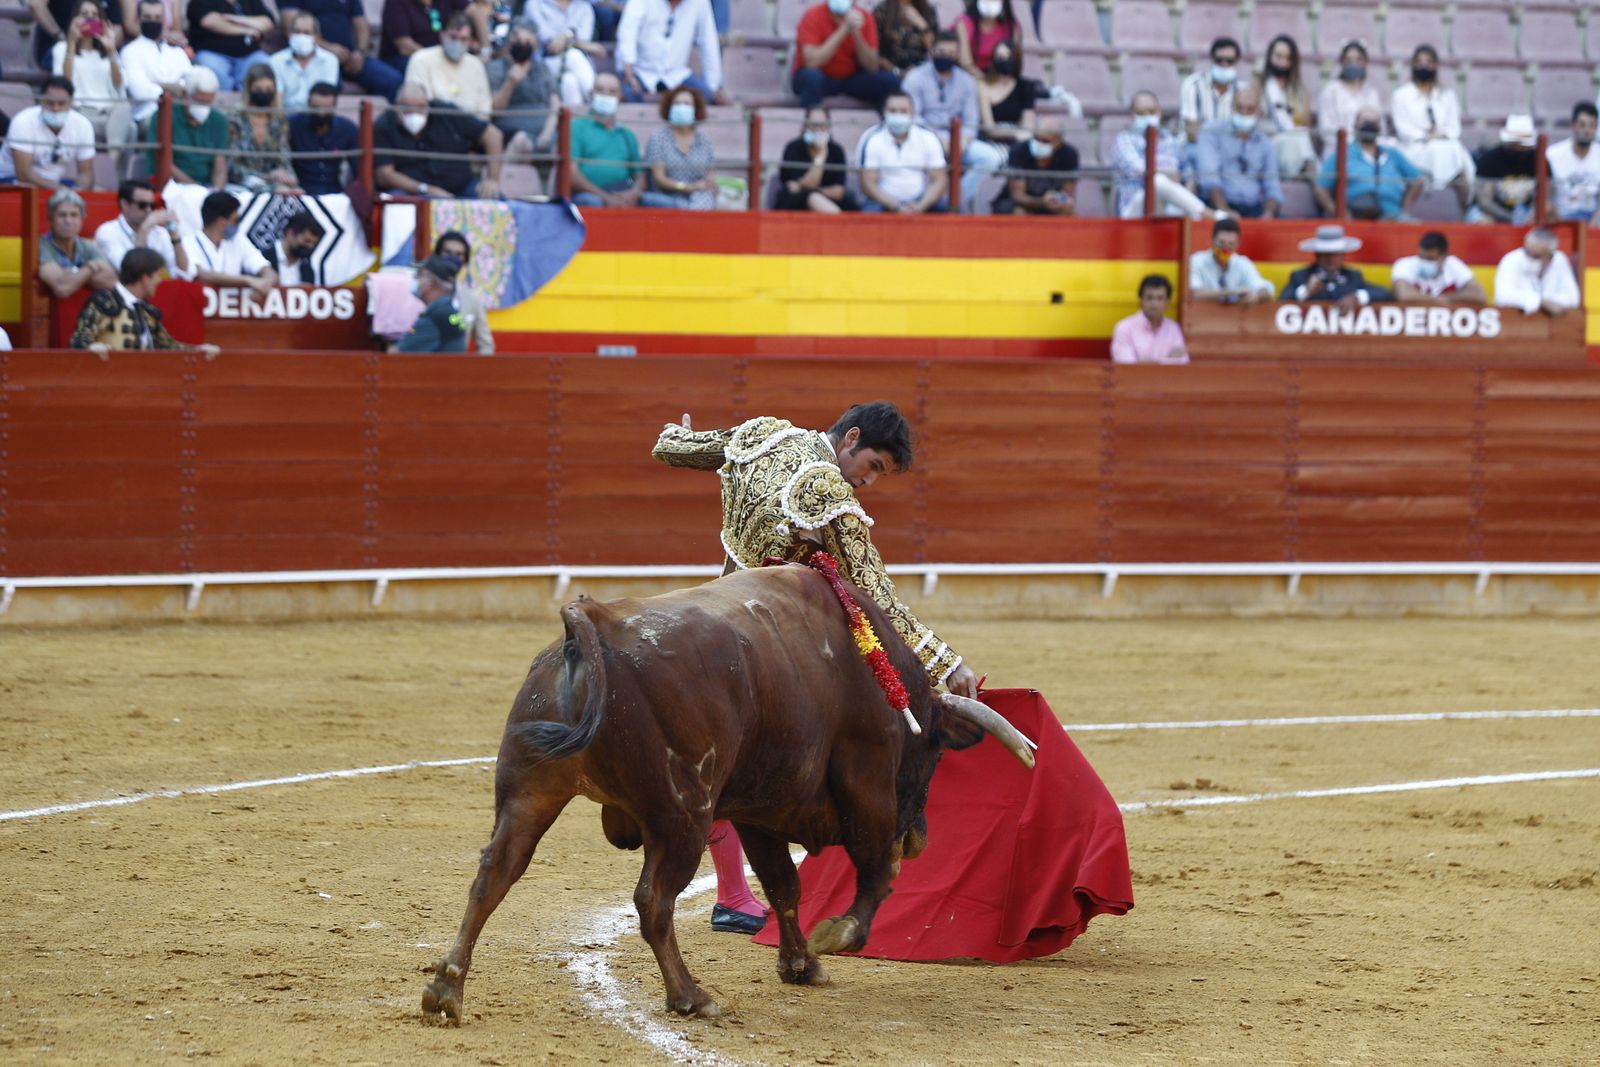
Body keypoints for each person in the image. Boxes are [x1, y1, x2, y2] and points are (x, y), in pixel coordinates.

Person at [651, 401, 980, 933]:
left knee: (715, 760)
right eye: (872, 465)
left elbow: (672, 447)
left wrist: (678, 431)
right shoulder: (827, 491)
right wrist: (945, 660)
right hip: (772, 641)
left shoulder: (762, 433)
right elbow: (876, 597)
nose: (868, 481)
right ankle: (750, 891)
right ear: (850, 438)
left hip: (712, 614)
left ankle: (733, 895)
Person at [902, 30, 1004, 211]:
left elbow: (972, 120)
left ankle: (960, 197)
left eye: (950, 54)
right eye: (941, 52)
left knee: (990, 158)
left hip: (959, 139)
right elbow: (912, 117)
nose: (945, 57)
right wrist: (937, 140)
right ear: (932, 51)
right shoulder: (914, 78)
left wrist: (962, 141)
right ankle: (924, 203)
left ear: (957, 55)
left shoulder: (967, 82)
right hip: (924, 139)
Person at [70, 247, 220, 356]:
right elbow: (79, 340)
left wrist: (197, 350)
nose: (160, 280)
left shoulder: (147, 311)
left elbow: (167, 346)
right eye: (157, 275)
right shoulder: (103, 302)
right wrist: (91, 347)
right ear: (145, 278)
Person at [373, 83, 505, 197]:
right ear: (396, 107)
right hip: (413, 194)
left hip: (462, 189)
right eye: (407, 109)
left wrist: (492, 179)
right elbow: (384, 175)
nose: (415, 113)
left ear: (428, 104)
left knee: (494, 198)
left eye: (420, 107)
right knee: (396, 202)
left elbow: (493, 135)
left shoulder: (445, 112)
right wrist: (425, 189)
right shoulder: (383, 125)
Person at [1391, 44, 1473, 216]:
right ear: (1412, 65)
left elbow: (1454, 128)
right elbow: (1403, 128)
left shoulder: (1446, 95)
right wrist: (1425, 136)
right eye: (1419, 62)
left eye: (1429, 62)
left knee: (1458, 154)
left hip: (1446, 143)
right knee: (1439, 151)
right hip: (1415, 148)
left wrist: (1440, 135)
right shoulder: (1401, 95)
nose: (1424, 66)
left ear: (1436, 66)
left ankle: (1467, 208)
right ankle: (1437, 198)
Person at [51, 0, 134, 158]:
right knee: (130, 130)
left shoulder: (107, 51)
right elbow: (64, 84)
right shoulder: (61, 49)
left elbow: (120, 84)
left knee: (125, 108)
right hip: (81, 111)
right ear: (74, 19)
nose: (90, 19)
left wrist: (111, 50)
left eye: (94, 15)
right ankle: (112, 172)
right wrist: (72, 43)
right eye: (84, 15)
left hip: (108, 113)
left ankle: (111, 165)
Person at [1113, 90, 1213, 220]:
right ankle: (1208, 214)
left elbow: (1187, 170)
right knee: (1157, 180)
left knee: (1178, 198)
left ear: (1159, 113)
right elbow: (1143, 171)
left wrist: (1189, 183)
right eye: (1140, 113)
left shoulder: (1170, 140)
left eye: (1151, 111)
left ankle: (1202, 218)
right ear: (1131, 115)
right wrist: (1168, 174)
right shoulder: (1124, 140)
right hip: (1135, 210)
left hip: (1169, 206)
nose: (1147, 116)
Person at [277, 0, 403, 100]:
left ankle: (380, 129)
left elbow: (361, 22)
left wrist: (360, 52)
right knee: (328, 89)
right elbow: (291, 27)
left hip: (350, 57)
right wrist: (329, 48)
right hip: (316, 57)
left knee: (393, 81)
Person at [1313, 106, 1423, 221]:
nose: (1369, 125)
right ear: (1355, 125)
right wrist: (1338, 212)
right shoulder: (1342, 153)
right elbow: (1321, 187)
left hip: (1392, 217)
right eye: (1365, 121)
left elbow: (1417, 180)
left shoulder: (1392, 153)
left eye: (1374, 122)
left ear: (1380, 127)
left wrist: (1404, 208)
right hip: (1356, 217)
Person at [791, 1, 900, 111]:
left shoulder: (865, 17)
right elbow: (812, 62)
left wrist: (856, 33)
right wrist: (844, 29)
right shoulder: (812, 14)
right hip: (820, 76)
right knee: (811, 78)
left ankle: (886, 126)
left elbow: (872, 66)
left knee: (888, 81)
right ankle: (812, 125)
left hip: (851, 78)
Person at [1196, 82, 1281, 218]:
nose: (1244, 114)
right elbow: (1209, 179)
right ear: (1231, 108)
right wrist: (1225, 211)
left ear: (1259, 112)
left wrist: (1268, 213)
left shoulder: (1265, 143)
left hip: (1254, 209)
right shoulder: (1211, 132)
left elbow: (1273, 187)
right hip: (1218, 205)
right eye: (1239, 108)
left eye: (1250, 109)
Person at [618, 0, 725, 105]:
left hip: (676, 74)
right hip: (642, 72)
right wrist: (629, 74)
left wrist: (713, 86)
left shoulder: (699, 3)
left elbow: (708, 41)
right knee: (629, 94)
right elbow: (627, 33)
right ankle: (668, 100)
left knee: (706, 95)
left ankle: (667, 100)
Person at [0, 76, 97, 191]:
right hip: (12, 181)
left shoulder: (83, 125)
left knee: (96, 192)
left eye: (61, 103)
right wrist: (62, 191)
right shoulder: (23, 121)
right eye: (50, 103)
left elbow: (86, 173)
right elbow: (23, 173)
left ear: (71, 103)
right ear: (41, 101)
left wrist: (80, 189)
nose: (56, 108)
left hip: (54, 183)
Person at [858, 90, 947, 213]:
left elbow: (939, 180)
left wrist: (921, 206)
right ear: (884, 112)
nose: (898, 115)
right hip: (883, 201)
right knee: (869, 213)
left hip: (920, 200)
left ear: (913, 114)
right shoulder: (873, 139)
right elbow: (868, 184)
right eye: (892, 111)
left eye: (903, 111)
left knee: (944, 209)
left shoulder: (928, 138)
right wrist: (896, 207)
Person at [568, 72, 645, 206]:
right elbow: (571, 173)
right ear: (592, 94)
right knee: (592, 202)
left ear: (620, 97)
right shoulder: (577, 127)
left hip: (622, 191)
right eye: (600, 90)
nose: (606, 95)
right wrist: (605, 198)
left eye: (612, 91)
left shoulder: (626, 134)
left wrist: (633, 193)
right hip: (588, 195)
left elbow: (640, 176)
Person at [181, 189, 278, 295]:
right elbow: (200, 274)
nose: (237, 225)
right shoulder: (187, 243)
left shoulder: (238, 240)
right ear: (221, 222)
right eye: (236, 220)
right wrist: (248, 281)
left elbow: (265, 268)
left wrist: (265, 284)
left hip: (230, 309)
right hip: (197, 306)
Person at [149, 65, 229, 187]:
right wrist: (196, 189)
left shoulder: (219, 120)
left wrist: (216, 192)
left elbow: (220, 166)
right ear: (185, 94)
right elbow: (163, 162)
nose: (204, 106)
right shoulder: (163, 117)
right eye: (200, 101)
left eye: (209, 102)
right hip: (171, 185)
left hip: (206, 186)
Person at [94, 177, 191, 277]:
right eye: (142, 205)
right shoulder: (107, 232)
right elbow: (129, 271)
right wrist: (145, 228)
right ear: (125, 204)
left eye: (152, 205)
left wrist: (175, 236)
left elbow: (184, 271)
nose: (148, 210)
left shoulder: (159, 233)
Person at [404, 12, 493, 119]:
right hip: (434, 129)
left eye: (463, 39)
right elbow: (418, 105)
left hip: (471, 131)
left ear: (470, 41)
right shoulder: (421, 59)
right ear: (442, 35)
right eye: (453, 37)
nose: (457, 43)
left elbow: (484, 110)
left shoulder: (476, 65)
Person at [228, 63, 301, 192]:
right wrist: (265, 177)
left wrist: (287, 176)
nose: (263, 93)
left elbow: (283, 157)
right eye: (259, 89)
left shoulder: (279, 120)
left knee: (296, 192)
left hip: (273, 181)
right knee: (281, 192)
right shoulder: (234, 119)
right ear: (249, 89)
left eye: (268, 89)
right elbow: (231, 165)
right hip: (242, 181)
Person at [642, 86, 718, 209]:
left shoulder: (704, 141)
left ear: (695, 109)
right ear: (669, 108)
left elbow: (710, 177)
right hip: (665, 198)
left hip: (697, 199)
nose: (682, 107)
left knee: (705, 200)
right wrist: (688, 187)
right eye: (676, 104)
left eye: (687, 104)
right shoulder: (658, 138)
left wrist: (704, 187)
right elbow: (659, 178)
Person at [121, 0, 194, 127]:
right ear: (139, 19)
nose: (153, 21)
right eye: (147, 17)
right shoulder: (130, 51)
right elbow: (140, 91)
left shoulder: (176, 50)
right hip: (147, 114)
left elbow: (189, 83)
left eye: (157, 17)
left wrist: (157, 84)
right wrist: (171, 87)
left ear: (164, 20)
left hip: (180, 112)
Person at [37, 187, 118, 298]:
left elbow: (113, 282)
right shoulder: (41, 246)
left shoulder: (87, 246)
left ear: (82, 219)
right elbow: (62, 288)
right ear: (50, 219)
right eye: (62, 215)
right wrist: (90, 268)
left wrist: (73, 275)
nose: (68, 221)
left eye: (74, 215)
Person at [1281, 225, 1388, 309]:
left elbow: (1384, 294)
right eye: (1326, 254)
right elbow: (1282, 299)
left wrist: (1356, 297)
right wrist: (1306, 290)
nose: (1331, 259)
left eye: (1335, 254)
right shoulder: (1301, 276)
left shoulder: (1353, 276)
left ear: (1343, 255)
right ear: (1317, 255)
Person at [991, 112, 1076, 215]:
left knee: (1068, 206)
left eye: (1045, 141)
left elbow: (1068, 193)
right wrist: (1042, 202)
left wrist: (1060, 200)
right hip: (1018, 203)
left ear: (1059, 142)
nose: (1039, 143)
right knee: (1020, 212)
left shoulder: (1069, 155)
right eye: (1036, 138)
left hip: (1052, 203)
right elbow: (1017, 196)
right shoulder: (1019, 150)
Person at [775, 107, 855, 213]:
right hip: (796, 205)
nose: (817, 130)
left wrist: (807, 188)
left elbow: (838, 191)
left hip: (829, 201)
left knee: (850, 202)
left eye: (822, 125)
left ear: (828, 127)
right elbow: (808, 184)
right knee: (810, 197)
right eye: (813, 125)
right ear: (805, 126)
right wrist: (822, 154)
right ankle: (840, 224)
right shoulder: (793, 148)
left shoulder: (836, 151)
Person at [1258, 33, 1315, 179]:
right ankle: (1307, 172)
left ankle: (1305, 171)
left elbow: (1305, 122)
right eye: (1278, 56)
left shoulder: (1299, 90)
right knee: (1297, 141)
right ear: (1270, 56)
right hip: (1268, 141)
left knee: (1299, 137)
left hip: (1294, 140)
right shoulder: (1258, 86)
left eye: (1287, 58)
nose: (1282, 62)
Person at [528, 0, 605, 106]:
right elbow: (550, 43)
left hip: (575, 67)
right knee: (573, 55)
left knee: (569, 81)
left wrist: (565, 37)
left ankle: (576, 119)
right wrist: (570, 34)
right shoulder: (535, 4)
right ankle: (598, 101)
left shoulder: (584, 6)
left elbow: (584, 38)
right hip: (545, 63)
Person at [288, 81, 358, 195]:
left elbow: (359, 168)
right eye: (316, 108)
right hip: (301, 192)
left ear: (334, 107)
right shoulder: (293, 125)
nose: (321, 113)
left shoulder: (347, 129)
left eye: (326, 109)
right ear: (308, 104)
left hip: (335, 194)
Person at [187, 0, 273, 90]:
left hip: (248, 55)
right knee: (212, 67)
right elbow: (208, 21)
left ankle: (249, 103)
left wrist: (236, 19)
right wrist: (247, 30)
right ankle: (220, 103)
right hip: (214, 54)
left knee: (264, 63)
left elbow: (268, 22)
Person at [1493, 227, 1579, 316]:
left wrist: (1532, 302)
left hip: (1550, 326)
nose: (1529, 258)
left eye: (1536, 256)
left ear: (1550, 257)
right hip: (1515, 323)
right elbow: (1503, 297)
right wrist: (1542, 302)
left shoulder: (1559, 260)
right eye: (1527, 252)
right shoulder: (1512, 260)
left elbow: (1572, 298)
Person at [1187, 215, 1273, 303]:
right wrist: (1228, 294)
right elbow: (1193, 292)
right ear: (1212, 240)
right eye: (1221, 243)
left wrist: (1256, 295)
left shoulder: (1242, 263)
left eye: (1231, 244)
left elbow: (1265, 289)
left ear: (1237, 245)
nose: (1225, 249)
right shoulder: (1196, 261)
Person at [434, 230, 494, 353]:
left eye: (459, 255)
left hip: (458, 369)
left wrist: (477, 371)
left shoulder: (472, 301)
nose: (453, 258)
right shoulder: (423, 292)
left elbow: (486, 346)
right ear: (437, 256)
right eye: (448, 253)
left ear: (465, 261)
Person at [1475, 115, 1540, 226]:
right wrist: (1510, 218)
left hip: (1527, 213)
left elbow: (1545, 197)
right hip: (1495, 212)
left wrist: (1533, 215)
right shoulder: (1490, 159)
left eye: (1523, 142)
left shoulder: (1539, 161)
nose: (1519, 147)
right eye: (1515, 142)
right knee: (1483, 221)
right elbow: (1485, 202)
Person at [269, 11, 341, 111]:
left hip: (315, 118)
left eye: (307, 33)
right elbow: (277, 99)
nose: (301, 36)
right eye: (297, 32)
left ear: (316, 36)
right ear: (289, 34)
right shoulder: (275, 61)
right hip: (286, 117)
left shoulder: (330, 61)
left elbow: (326, 98)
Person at [1390, 230, 1486, 305]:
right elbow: (1404, 295)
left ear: (1443, 257)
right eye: (1421, 257)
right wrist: (1438, 299)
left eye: (1430, 259)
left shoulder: (1453, 264)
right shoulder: (1404, 264)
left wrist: (1446, 298)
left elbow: (1479, 295)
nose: (1424, 262)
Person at [396, 254, 468, 352]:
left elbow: (399, 354)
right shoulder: (451, 312)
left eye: (418, 275)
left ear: (430, 283)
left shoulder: (435, 316)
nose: (415, 280)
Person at [1110, 274, 1187, 365]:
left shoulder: (1173, 328)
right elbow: (1126, 367)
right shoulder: (1124, 328)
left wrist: (1145, 363)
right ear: (1140, 301)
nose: (1154, 303)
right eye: (1150, 298)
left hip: (1168, 379)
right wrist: (1168, 360)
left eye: (1160, 298)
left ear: (1167, 303)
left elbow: (1182, 363)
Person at [1179, 36, 1239, 152]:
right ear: (1212, 59)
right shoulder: (1193, 84)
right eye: (1219, 60)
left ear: (1236, 61)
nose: (1224, 64)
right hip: (1196, 146)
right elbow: (1192, 133)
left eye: (1229, 61)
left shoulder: (1241, 89)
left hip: (1230, 150)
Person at [976, 39, 1035, 153]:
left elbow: (1028, 126)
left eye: (1009, 57)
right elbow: (990, 129)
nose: (1004, 61)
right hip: (989, 143)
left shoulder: (1025, 87)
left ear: (1016, 60)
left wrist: (1020, 134)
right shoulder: (983, 85)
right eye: (999, 57)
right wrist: (1015, 132)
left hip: (1018, 143)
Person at [1317, 40, 1381, 144]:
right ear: (1342, 62)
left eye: (1358, 60)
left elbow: (1379, 127)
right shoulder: (1331, 91)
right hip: (1338, 150)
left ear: (1366, 62)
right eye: (1348, 60)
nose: (1353, 64)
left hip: (1367, 150)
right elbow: (1326, 130)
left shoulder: (1372, 93)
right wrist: (1351, 146)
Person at [380, 0, 471, 73]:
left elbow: (475, 10)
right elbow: (405, 47)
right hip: (405, 59)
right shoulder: (395, 3)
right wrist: (438, 60)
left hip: (442, 56)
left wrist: (484, 47)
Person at [1547, 103, 1600, 225]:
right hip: (1560, 218)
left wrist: (1592, 226)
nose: (1587, 131)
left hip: (1592, 219)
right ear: (1573, 125)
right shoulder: (1553, 155)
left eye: (1592, 126)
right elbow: (1546, 198)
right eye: (1582, 125)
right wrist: (1563, 224)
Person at [953, 0, 1016, 76]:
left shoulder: (1011, 27)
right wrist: (987, 82)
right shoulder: (963, 23)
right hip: (971, 77)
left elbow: (1015, 60)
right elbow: (966, 63)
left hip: (1001, 79)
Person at [872, 0, 934, 74]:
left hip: (921, 73)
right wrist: (897, 71)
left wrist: (922, 25)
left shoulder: (928, 10)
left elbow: (934, 50)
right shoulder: (882, 10)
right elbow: (875, 51)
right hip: (888, 73)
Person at [265, 210, 324, 285]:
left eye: (314, 243)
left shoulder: (308, 270)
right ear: (290, 234)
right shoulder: (262, 259)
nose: (310, 246)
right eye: (307, 241)